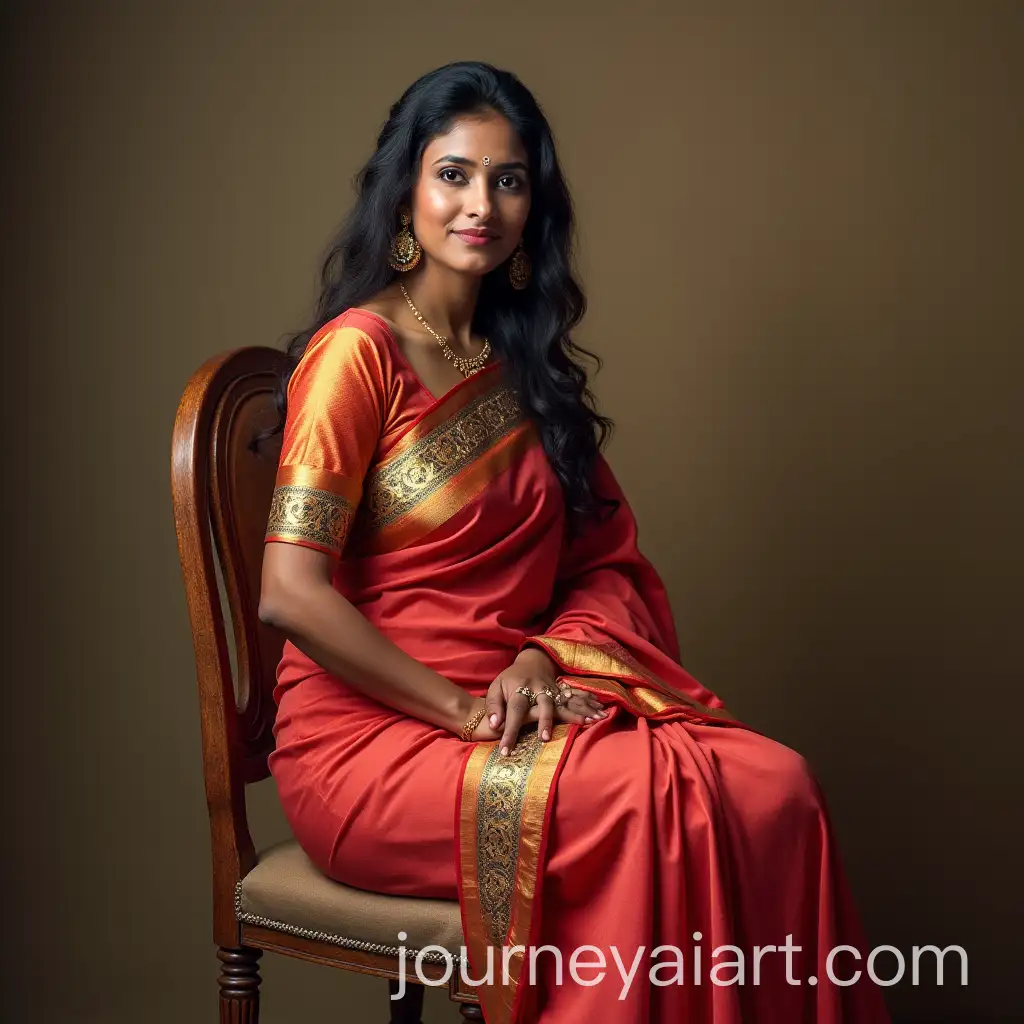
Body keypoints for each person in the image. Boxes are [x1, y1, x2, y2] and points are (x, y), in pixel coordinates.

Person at [258, 61, 890, 1024]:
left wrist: (535, 656)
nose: (481, 204)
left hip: (521, 705)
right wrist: (462, 710)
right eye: (454, 174)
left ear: (533, 208)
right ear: (406, 191)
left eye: (508, 181)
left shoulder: (515, 367)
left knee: (777, 788)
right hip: (377, 740)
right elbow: (290, 592)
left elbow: (603, 563)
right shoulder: (360, 355)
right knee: (649, 803)